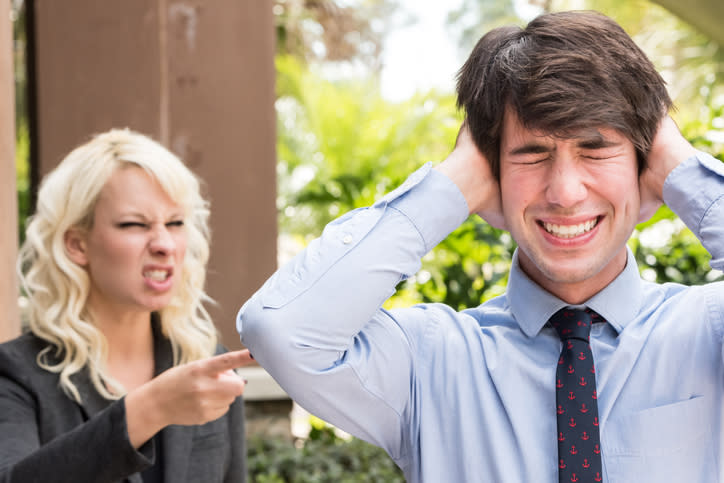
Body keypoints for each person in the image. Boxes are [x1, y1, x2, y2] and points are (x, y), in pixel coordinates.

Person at [237, 10, 724, 482]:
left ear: (645, 169)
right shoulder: (429, 362)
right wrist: (451, 187)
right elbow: (281, 329)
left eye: (595, 150)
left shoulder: (707, 330)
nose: (565, 192)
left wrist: (684, 173)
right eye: (532, 154)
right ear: (491, 176)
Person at [0, 128, 253, 482]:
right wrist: (151, 408)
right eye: (135, 224)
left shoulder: (207, 366)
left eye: (176, 223)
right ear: (77, 244)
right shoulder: (14, 375)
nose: (164, 243)